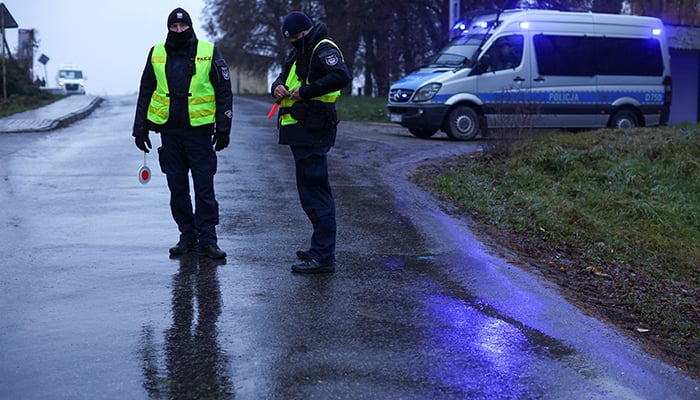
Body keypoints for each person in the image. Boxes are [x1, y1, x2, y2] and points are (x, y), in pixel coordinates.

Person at [132, 7, 233, 259]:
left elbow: (223, 91)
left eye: (183, 26)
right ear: (169, 29)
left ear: (190, 27)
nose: (179, 30)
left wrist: (224, 128)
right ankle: (187, 236)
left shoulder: (208, 51)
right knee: (177, 188)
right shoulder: (156, 53)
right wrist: (140, 128)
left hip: (199, 134)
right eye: (174, 27)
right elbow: (145, 90)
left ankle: (208, 239)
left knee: (204, 188)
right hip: (170, 133)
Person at [271, 11, 351, 274]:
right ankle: (319, 248)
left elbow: (340, 76)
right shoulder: (300, 51)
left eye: (297, 36)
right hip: (301, 130)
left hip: (314, 128)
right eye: (291, 38)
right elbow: (284, 76)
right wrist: (278, 87)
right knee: (309, 193)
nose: (294, 41)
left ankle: (323, 257)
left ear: (307, 30)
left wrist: (306, 92)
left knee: (316, 193)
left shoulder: (322, 47)